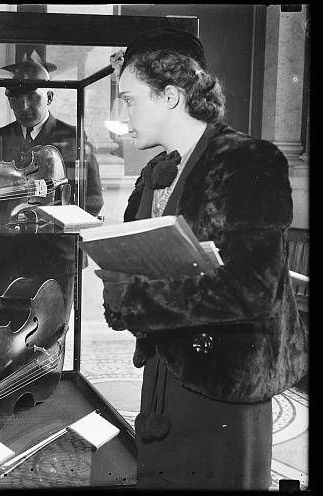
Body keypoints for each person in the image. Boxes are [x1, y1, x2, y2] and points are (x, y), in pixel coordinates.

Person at [96, 28, 307, 490]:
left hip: (227, 380)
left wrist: (136, 299)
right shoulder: (154, 172)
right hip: (165, 373)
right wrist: (118, 292)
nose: (122, 113)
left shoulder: (249, 159)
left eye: (129, 99)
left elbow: (253, 292)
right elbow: (136, 268)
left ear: (171, 96)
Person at [0, 60, 104, 323]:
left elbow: (93, 198)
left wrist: (54, 220)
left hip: (56, 257)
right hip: (9, 257)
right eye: (16, 100)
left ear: (49, 96)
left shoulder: (74, 137)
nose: (23, 107)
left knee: (49, 338)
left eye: (32, 98)